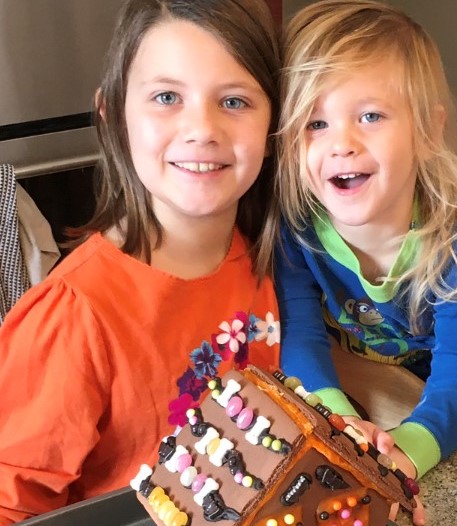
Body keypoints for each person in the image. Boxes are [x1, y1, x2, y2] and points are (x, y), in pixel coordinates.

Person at [0, 0, 281, 523]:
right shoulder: (72, 317)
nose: (202, 128)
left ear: (273, 125)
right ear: (114, 115)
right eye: (167, 96)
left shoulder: (275, 260)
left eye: (235, 101)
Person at [275, 0, 457, 510]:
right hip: (349, 388)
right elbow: (300, 333)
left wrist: (408, 449)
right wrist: (335, 420)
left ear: (426, 132)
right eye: (315, 124)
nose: (342, 144)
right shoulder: (296, 230)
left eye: (370, 115)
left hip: (427, 401)